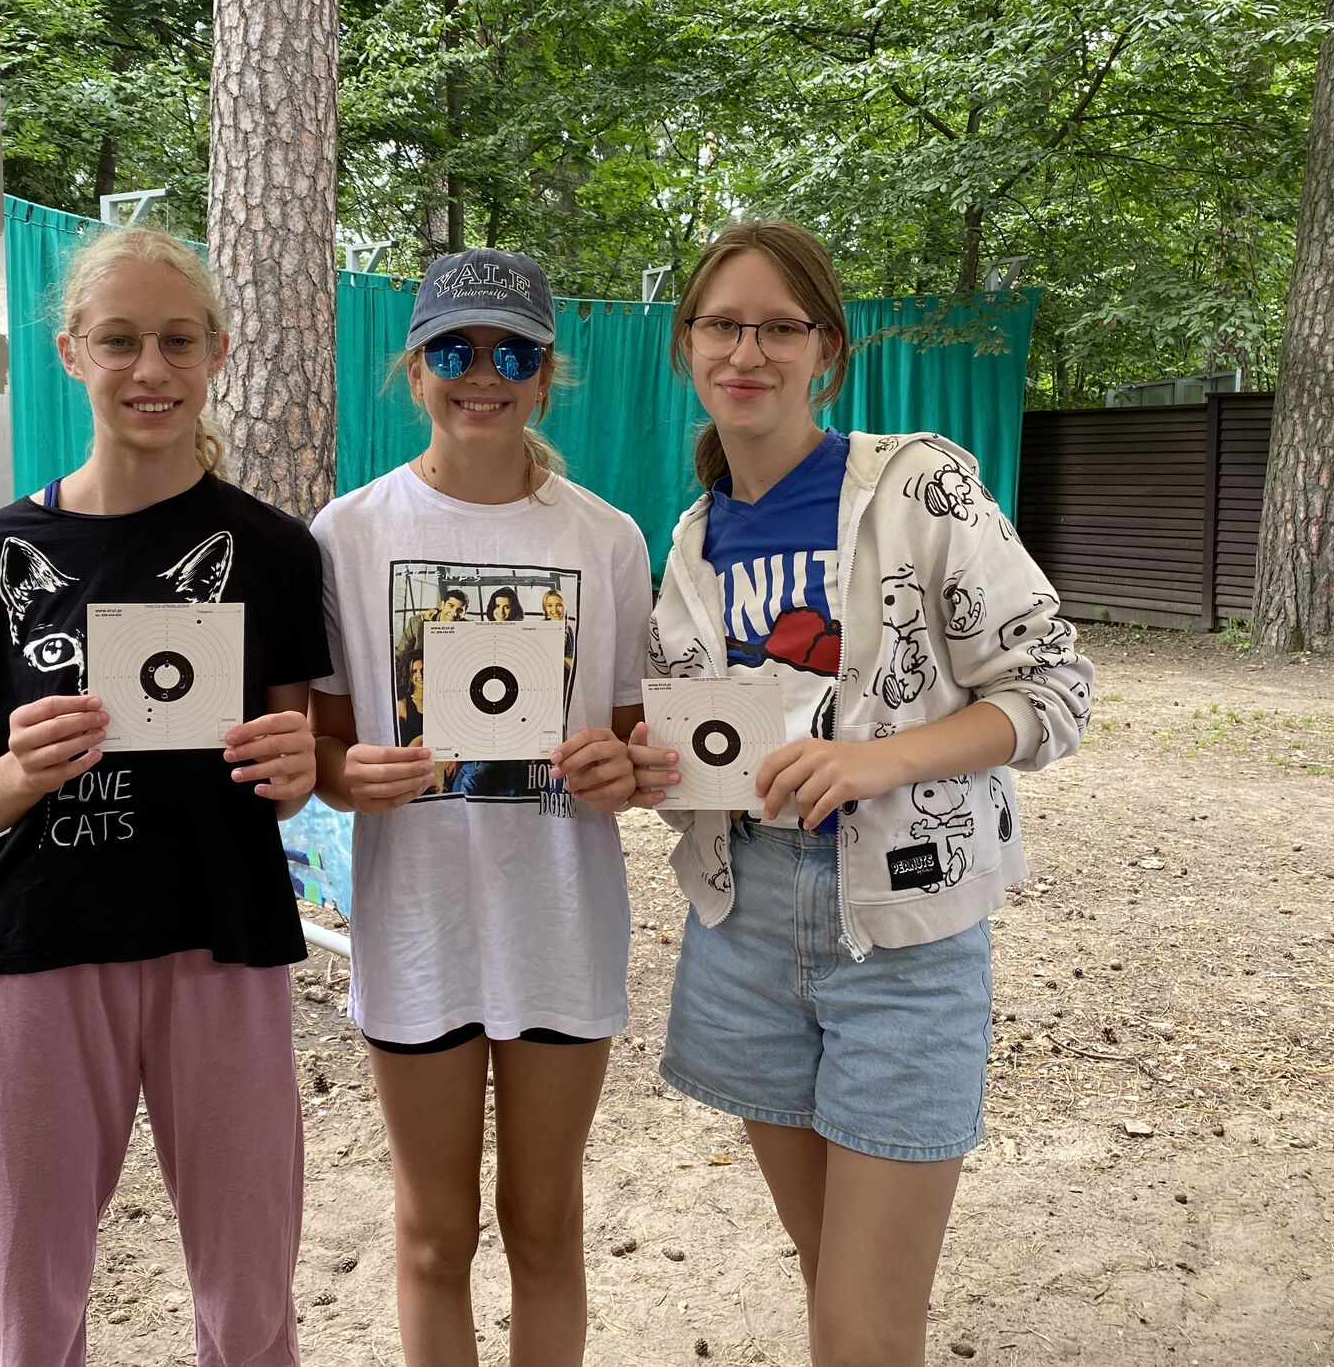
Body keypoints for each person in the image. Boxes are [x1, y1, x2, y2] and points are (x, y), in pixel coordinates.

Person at [629, 220, 1093, 1367]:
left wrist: (875, 760)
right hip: (743, 931)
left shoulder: (916, 485)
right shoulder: (688, 542)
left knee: (864, 1329)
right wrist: (647, 773)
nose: (747, 352)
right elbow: (706, 764)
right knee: (824, 1270)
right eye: (721, 326)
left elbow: (1051, 690)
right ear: (686, 345)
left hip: (901, 936)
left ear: (825, 351)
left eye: (777, 329)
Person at [0, 225, 328, 1367]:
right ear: (70, 353)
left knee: (249, 1301)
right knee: (30, 1299)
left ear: (218, 352)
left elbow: (286, 778)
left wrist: (296, 767)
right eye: (119, 341)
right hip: (45, 944)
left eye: (177, 341)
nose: (150, 369)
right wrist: (21, 771)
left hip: (223, 940)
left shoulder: (273, 551)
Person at [309, 248, 653, 1367]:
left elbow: (635, 742)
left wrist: (620, 768)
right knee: (432, 1236)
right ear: (414, 369)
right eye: (454, 349)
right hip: (420, 926)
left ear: (546, 376)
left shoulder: (606, 539)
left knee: (544, 1227)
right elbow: (323, 748)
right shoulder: (347, 535)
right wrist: (346, 777)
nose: (481, 375)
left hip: (560, 926)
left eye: (513, 355)